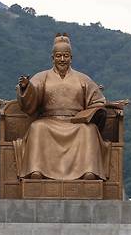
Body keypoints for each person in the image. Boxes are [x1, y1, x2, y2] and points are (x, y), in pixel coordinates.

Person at [14, 33, 111, 181]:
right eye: (58, 56)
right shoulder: (42, 77)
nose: (62, 59)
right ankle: (36, 171)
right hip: (49, 120)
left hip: (75, 122)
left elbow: (97, 101)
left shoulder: (83, 79)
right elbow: (30, 101)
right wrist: (26, 87)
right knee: (37, 127)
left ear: (71, 58)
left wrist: (92, 112)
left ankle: (89, 172)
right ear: (52, 58)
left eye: (66, 56)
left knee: (89, 130)